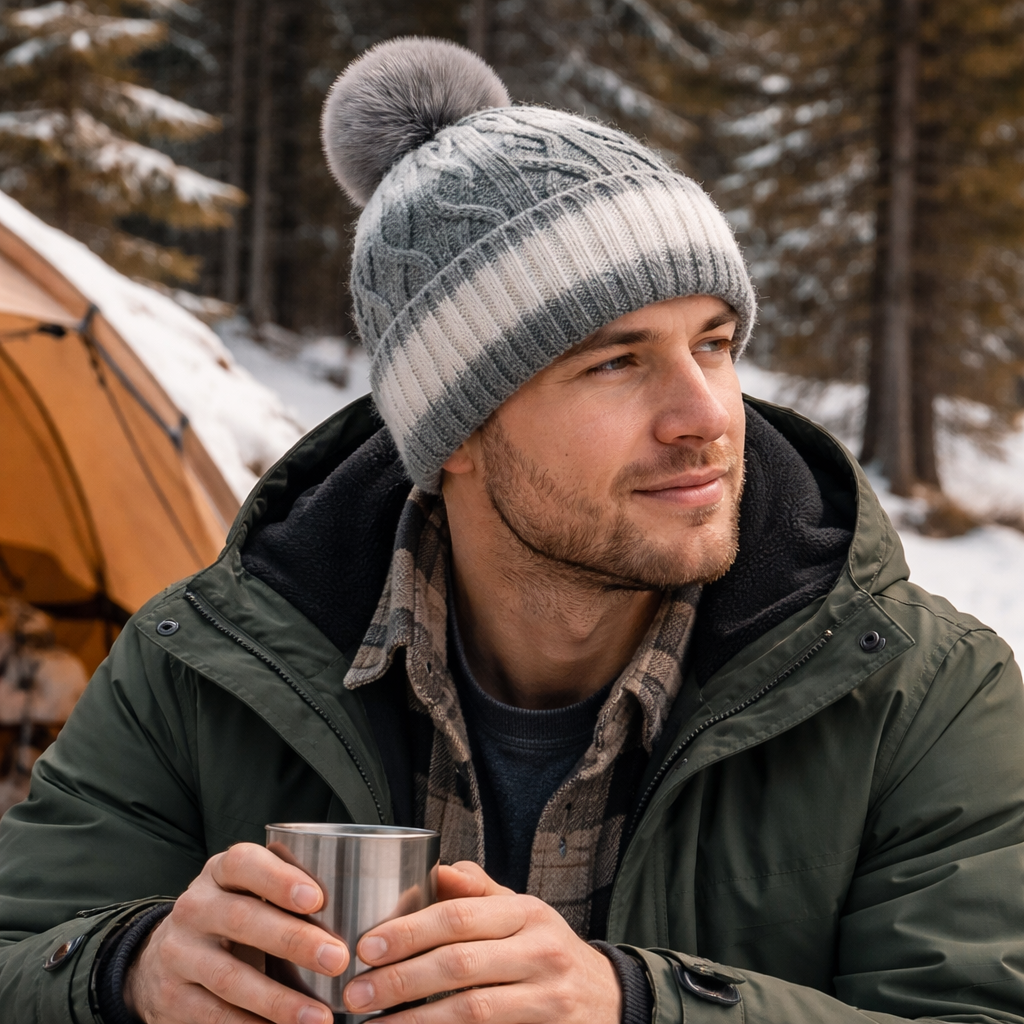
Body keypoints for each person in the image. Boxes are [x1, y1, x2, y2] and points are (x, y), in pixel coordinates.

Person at [1, 36, 1022, 1024]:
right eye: (615, 362)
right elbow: (18, 951)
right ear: (453, 432)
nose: (706, 415)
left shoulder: (915, 692)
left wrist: (636, 1007)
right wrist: (123, 973)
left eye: (713, 344)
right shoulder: (205, 669)